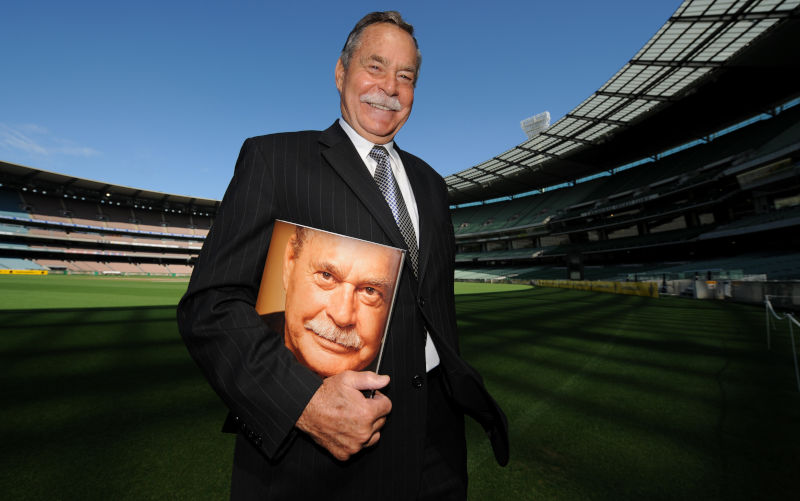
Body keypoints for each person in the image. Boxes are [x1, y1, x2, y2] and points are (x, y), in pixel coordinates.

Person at [177, 10, 508, 500]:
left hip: (437, 443)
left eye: (405, 76)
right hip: (321, 456)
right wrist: (305, 404)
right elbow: (211, 307)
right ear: (341, 72)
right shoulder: (276, 161)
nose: (389, 88)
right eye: (375, 67)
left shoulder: (433, 187)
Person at [266, 225, 402, 377]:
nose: (342, 317)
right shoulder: (240, 345)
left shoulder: (405, 377)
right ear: (290, 264)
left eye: (370, 291)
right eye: (326, 276)